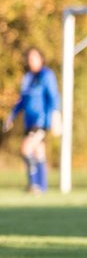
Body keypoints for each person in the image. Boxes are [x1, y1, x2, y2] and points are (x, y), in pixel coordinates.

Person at [4, 47, 61, 195]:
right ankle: (43, 187)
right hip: (29, 122)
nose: (31, 61)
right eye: (29, 59)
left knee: (25, 149)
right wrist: (11, 116)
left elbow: (53, 96)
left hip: (40, 121)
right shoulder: (28, 78)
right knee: (38, 153)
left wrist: (55, 115)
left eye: (34, 58)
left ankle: (34, 184)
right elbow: (22, 100)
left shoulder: (47, 75)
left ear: (41, 59)